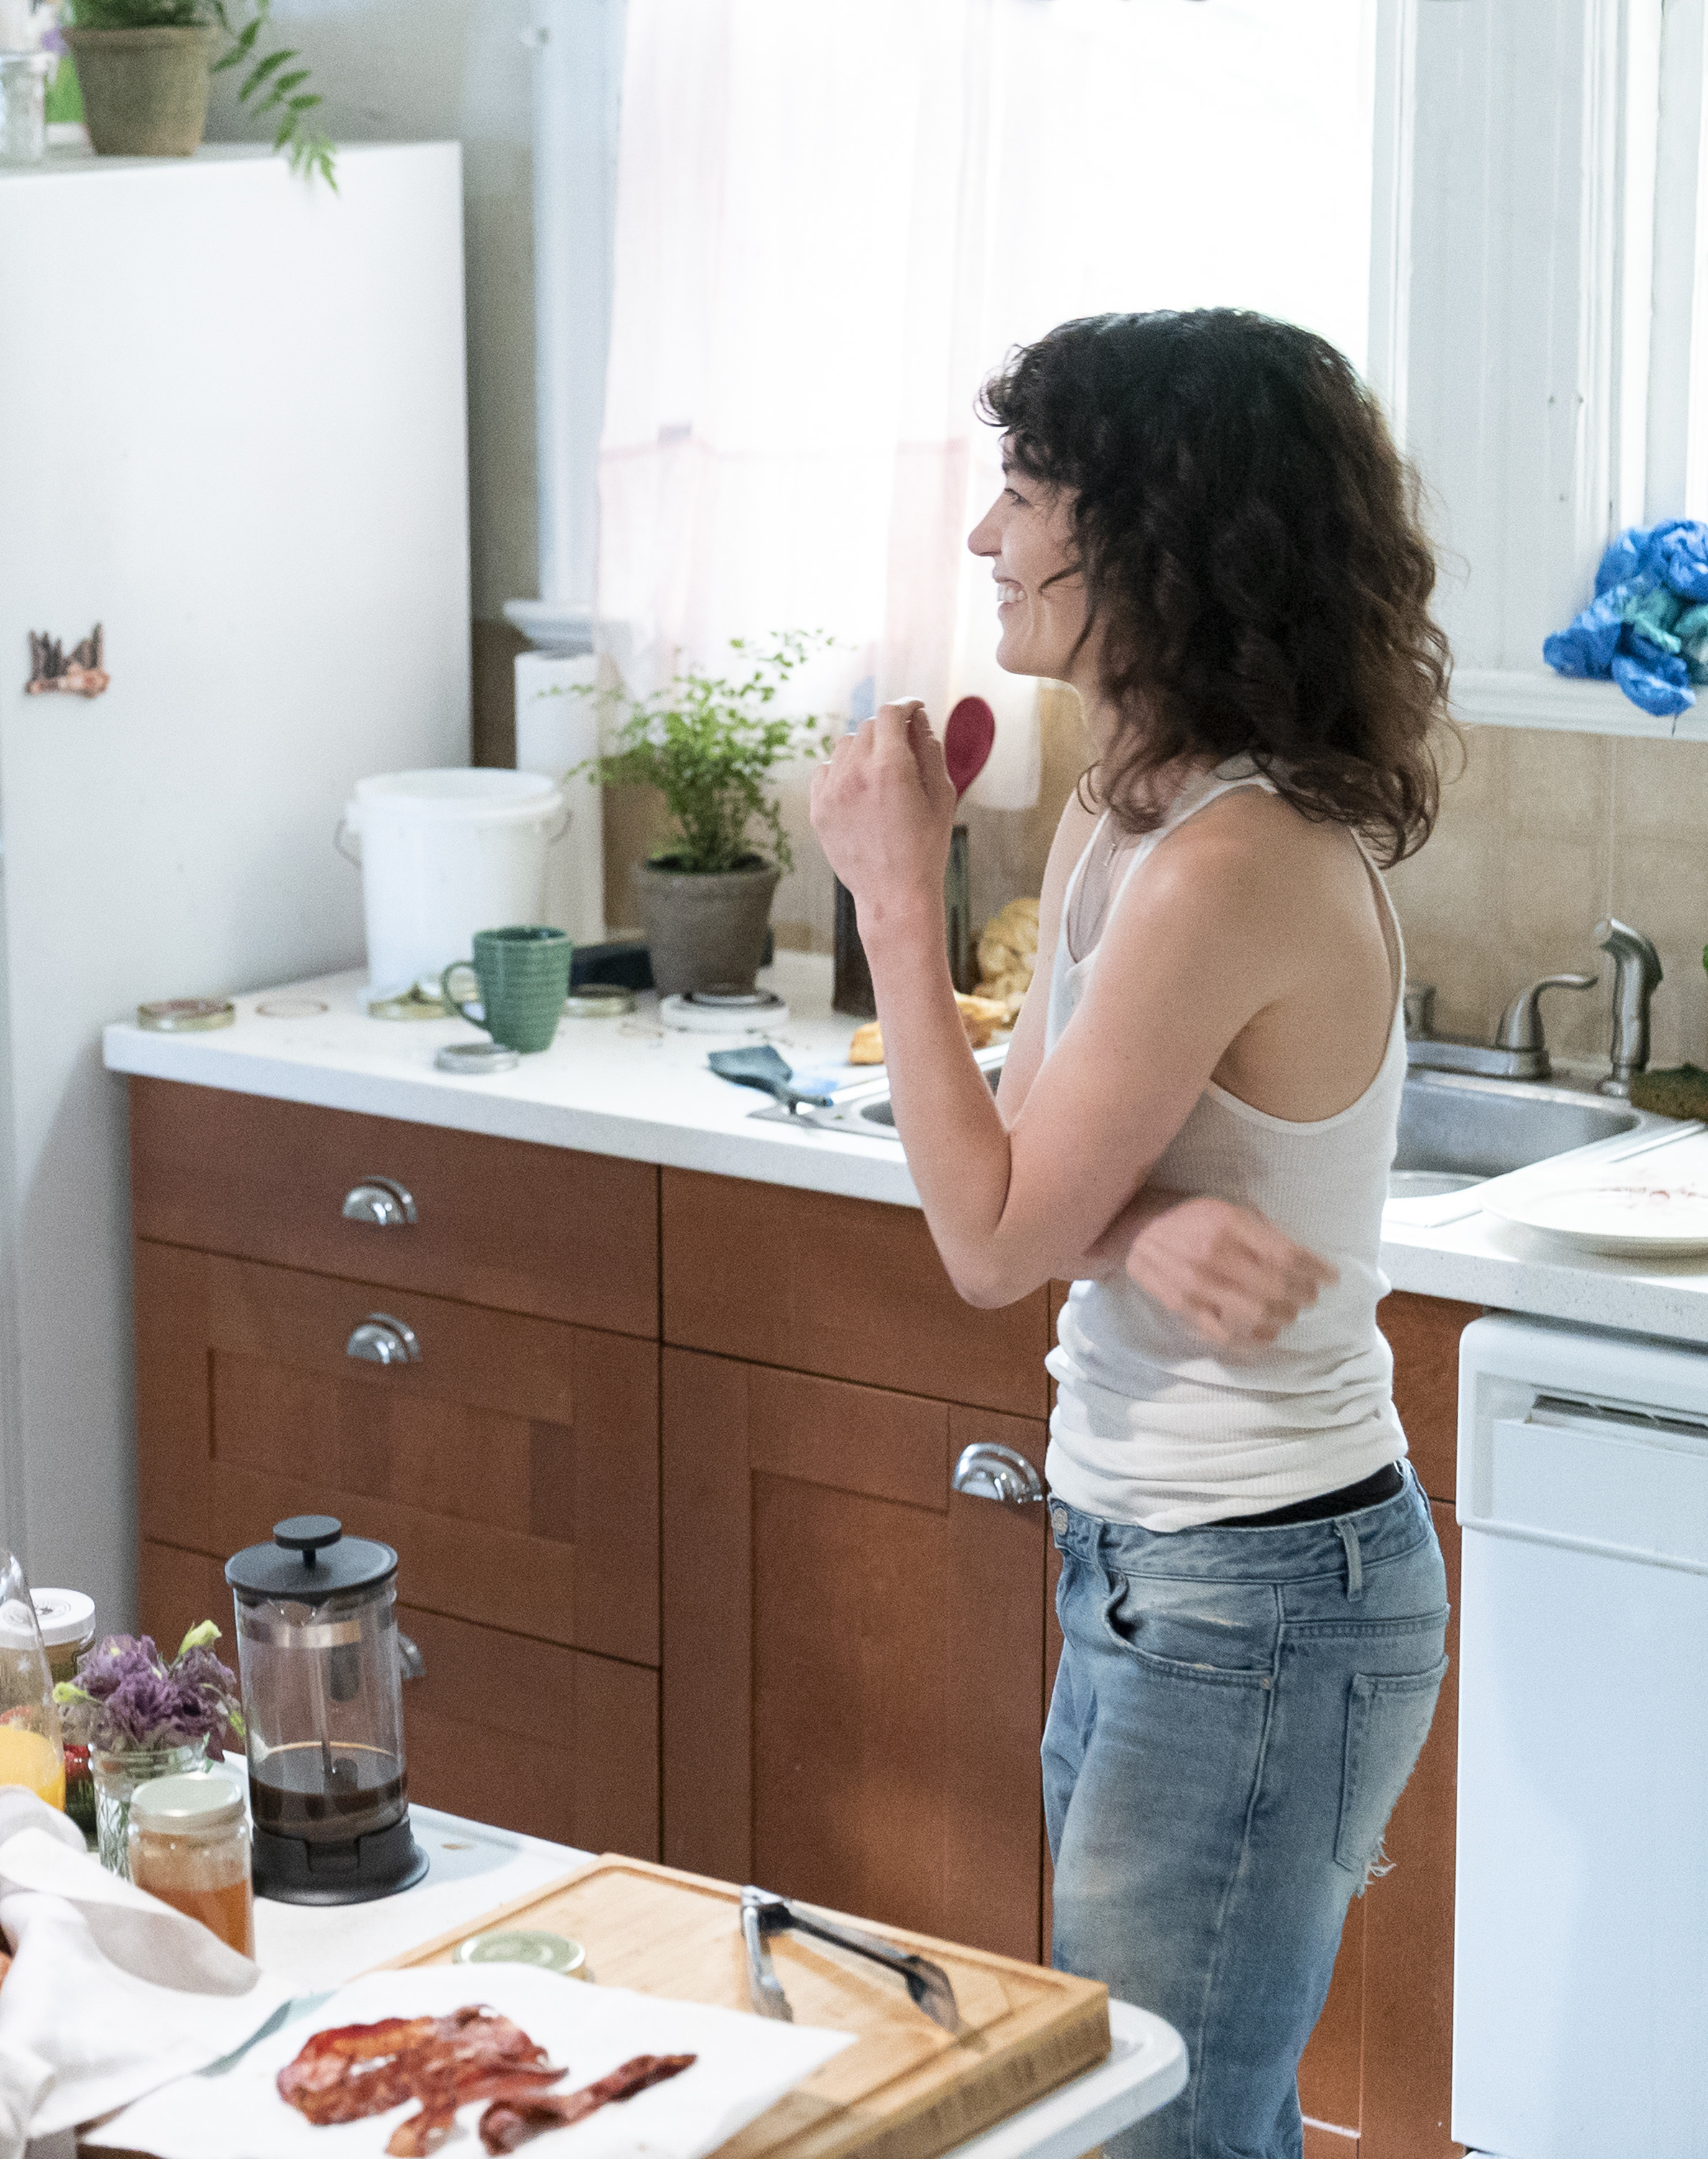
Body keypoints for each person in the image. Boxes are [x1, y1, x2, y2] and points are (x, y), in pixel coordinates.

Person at [809, 309, 1454, 2159]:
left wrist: (897, 899)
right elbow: (1021, 1178)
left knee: (1157, 2137)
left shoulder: (1233, 864)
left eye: (1024, 492)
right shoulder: (1129, 810)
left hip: (1260, 1594)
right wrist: (1141, 1215)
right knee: (1151, 2123)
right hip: (1151, 1567)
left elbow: (988, 1241)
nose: (983, 533)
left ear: (1159, 535)